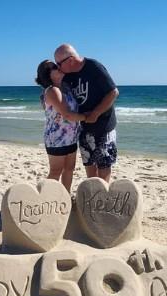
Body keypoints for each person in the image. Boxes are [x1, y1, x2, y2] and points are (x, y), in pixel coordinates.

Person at [54, 44, 119, 183]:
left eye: (59, 64)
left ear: (70, 60)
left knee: (104, 166)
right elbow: (54, 87)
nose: (58, 67)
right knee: (89, 166)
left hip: (104, 126)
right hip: (84, 128)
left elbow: (113, 92)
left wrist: (95, 113)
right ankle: (92, 198)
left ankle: (102, 198)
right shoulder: (68, 76)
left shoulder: (93, 67)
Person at [35, 60, 86, 193]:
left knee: (69, 168)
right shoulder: (52, 91)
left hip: (71, 137)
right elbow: (68, 115)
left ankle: (65, 197)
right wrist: (88, 117)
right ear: (47, 74)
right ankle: (43, 198)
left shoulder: (65, 88)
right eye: (53, 67)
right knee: (56, 171)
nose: (58, 68)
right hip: (56, 139)